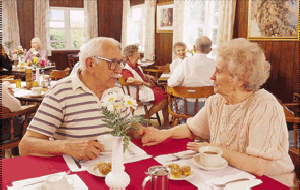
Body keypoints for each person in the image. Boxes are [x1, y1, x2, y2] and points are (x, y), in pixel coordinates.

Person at [141, 38, 296, 187]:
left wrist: (214, 150)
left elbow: (258, 166)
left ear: (240, 79)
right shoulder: (217, 101)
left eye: (219, 72)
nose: (212, 76)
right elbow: (192, 128)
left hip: (270, 182)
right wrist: (165, 134)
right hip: (231, 174)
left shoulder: (264, 106)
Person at [19, 37, 146, 161]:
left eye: (120, 63)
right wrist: (68, 146)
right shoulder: (61, 92)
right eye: (112, 63)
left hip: (115, 168)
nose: (119, 70)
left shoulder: (116, 90)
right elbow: (25, 146)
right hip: (76, 173)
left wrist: (140, 131)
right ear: (90, 64)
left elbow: (128, 126)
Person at [168, 36, 216, 121]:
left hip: (186, 107)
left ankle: (185, 128)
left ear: (194, 48)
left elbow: (171, 83)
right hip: (207, 107)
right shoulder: (214, 63)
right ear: (209, 50)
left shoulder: (186, 62)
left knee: (176, 105)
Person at [122, 45, 170, 128]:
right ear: (129, 56)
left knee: (166, 96)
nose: (139, 56)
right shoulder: (126, 69)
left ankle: (166, 123)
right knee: (164, 99)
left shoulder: (135, 65)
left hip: (146, 88)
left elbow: (137, 74)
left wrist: (147, 76)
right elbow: (129, 79)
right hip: (138, 91)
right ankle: (145, 117)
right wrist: (144, 83)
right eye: (136, 54)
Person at [2, 82, 24, 156]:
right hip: (4, 134)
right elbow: (17, 107)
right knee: (31, 123)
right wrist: (10, 96)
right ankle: (18, 158)